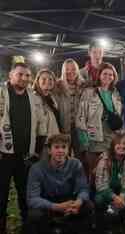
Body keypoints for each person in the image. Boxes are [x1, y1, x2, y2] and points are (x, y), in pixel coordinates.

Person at [0, 63, 47, 234]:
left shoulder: (34, 98)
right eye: (20, 74)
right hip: (3, 155)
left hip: (26, 155)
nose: (24, 78)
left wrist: (37, 151)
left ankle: (27, 226)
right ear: (10, 75)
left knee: (24, 193)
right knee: (1, 193)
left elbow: (42, 125)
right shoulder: (1, 94)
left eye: (27, 75)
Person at [26, 134, 92, 234]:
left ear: (68, 149)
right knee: (34, 214)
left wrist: (78, 201)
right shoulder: (37, 168)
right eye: (56, 147)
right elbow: (32, 199)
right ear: (49, 150)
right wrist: (55, 206)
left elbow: (83, 188)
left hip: (69, 201)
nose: (60, 151)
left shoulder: (76, 164)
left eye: (64, 147)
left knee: (88, 205)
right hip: (48, 203)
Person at [76, 62, 123, 182]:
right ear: (99, 75)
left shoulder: (115, 94)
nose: (108, 77)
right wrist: (84, 142)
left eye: (111, 74)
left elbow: (119, 115)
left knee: (108, 171)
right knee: (93, 172)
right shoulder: (89, 92)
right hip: (94, 140)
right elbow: (81, 117)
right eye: (105, 74)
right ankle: (91, 198)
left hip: (111, 139)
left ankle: (106, 197)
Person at [94, 131, 125, 233]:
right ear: (113, 146)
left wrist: (122, 196)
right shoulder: (104, 159)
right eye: (118, 143)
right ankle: (102, 222)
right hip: (107, 190)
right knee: (99, 199)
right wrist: (114, 197)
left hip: (123, 190)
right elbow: (100, 184)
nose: (122, 146)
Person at [54, 58, 85, 156]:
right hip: (63, 128)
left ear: (77, 70)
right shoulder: (58, 86)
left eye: (73, 69)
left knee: (81, 155)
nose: (70, 72)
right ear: (63, 71)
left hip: (80, 128)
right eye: (67, 69)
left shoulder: (83, 85)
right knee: (64, 155)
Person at [33, 69, 61, 140]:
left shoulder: (52, 98)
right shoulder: (33, 98)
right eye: (44, 79)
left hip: (53, 139)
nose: (48, 81)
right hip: (41, 142)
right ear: (37, 81)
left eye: (50, 79)